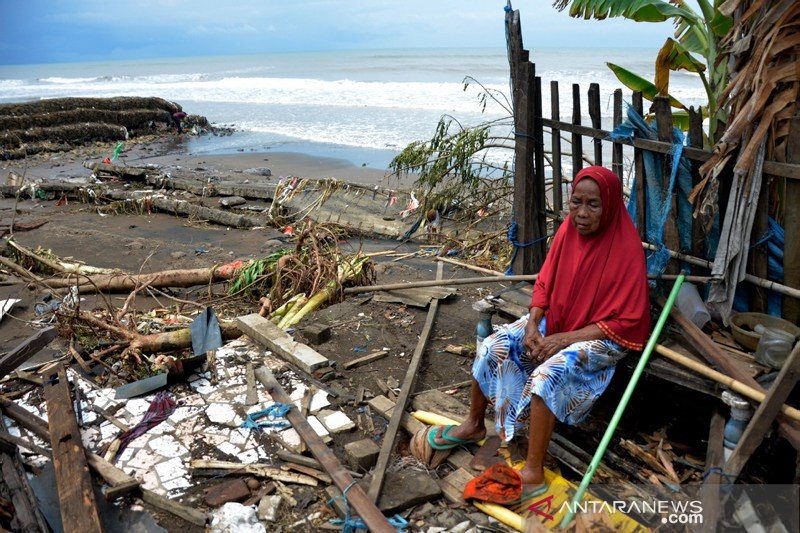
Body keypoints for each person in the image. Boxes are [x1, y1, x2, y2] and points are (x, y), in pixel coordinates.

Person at [428, 166, 650, 498]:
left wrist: (562, 340)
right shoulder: (568, 230)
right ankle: (474, 423)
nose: (582, 213)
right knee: (493, 344)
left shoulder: (626, 249)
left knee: (547, 375)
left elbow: (626, 322)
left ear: (610, 207)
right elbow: (545, 281)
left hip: (603, 335)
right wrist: (533, 322)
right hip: (559, 320)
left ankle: (533, 470)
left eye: (594, 205)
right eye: (576, 202)